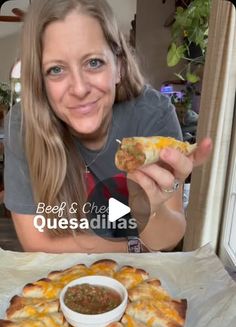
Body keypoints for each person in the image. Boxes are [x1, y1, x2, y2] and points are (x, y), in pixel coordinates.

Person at [3, 0, 212, 254]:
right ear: (41, 82)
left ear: (119, 67)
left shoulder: (153, 115)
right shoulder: (21, 126)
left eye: (93, 63)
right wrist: (135, 246)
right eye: (56, 69)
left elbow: (166, 240)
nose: (79, 89)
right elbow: (36, 243)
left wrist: (151, 209)